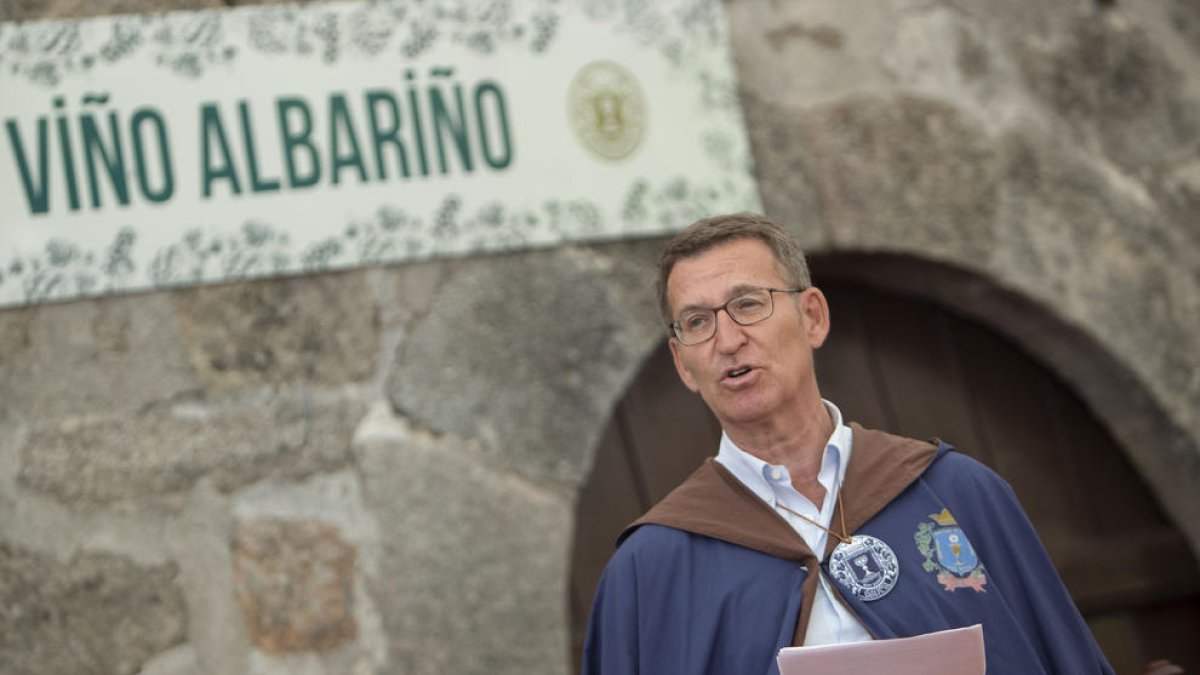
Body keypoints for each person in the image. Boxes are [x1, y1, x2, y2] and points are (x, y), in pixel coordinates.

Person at [581, 212, 1115, 674]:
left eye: (748, 304)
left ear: (811, 317)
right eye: (697, 321)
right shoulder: (650, 569)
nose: (727, 339)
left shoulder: (958, 494)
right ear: (683, 365)